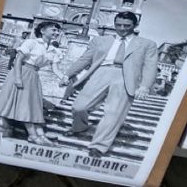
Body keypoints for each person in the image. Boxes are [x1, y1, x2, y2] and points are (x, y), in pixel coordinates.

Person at [62, 10, 158, 157]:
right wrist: (68, 74)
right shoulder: (100, 40)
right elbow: (84, 59)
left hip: (127, 78)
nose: (122, 28)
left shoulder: (147, 44)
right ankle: (79, 127)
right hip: (101, 73)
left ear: (135, 25)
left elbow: (150, 66)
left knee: (114, 113)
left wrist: (145, 86)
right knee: (79, 106)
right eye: (118, 24)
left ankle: (99, 146)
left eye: (127, 25)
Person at [0, 21, 65, 145]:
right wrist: (18, 78)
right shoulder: (32, 42)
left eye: (58, 31)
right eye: (53, 30)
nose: (56, 33)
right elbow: (18, 60)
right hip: (22, 72)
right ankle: (32, 135)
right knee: (26, 105)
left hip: (34, 76)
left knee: (34, 106)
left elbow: (55, 68)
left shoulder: (53, 50)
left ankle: (41, 135)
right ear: (42, 31)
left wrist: (64, 78)